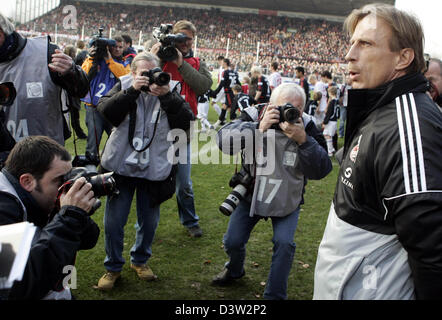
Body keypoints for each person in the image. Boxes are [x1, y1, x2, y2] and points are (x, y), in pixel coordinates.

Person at [314, 3, 442, 300]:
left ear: (403, 57)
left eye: (366, 43)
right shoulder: (380, 108)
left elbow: (432, 249)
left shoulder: (409, 125)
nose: (349, 54)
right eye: (352, 43)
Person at [213, 83, 332, 300]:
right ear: (270, 104)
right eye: (283, 107)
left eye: (295, 108)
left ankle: (274, 295)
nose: (288, 112)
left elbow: (322, 169)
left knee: (284, 244)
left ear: (303, 109)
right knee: (233, 241)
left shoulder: (307, 125)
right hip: (251, 191)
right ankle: (235, 269)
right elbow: (223, 142)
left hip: (287, 196)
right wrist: (257, 127)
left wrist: (303, 140)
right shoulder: (254, 114)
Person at [95, 53, 194, 290]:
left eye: (154, 73)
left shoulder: (169, 90)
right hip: (121, 166)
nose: (151, 79)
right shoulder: (124, 85)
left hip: (155, 168)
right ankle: (113, 267)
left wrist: (168, 96)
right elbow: (106, 111)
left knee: (149, 222)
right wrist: (131, 92)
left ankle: (140, 260)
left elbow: (186, 124)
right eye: (144, 74)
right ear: (133, 74)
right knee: (114, 222)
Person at [0, 136, 99, 299]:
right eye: (59, 180)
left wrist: (73, 215)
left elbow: (88, 240)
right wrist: (69, 217)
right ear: (27, 181)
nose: (66, 187)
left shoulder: (33, 197)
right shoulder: (4, 209)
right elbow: (16, 288)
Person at [151, 20, 212, 237]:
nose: (185, 43)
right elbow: (142, 74)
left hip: (183, 127)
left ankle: (190, 220)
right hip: (158, 125)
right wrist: (155, 55)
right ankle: (147, 224)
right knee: (152, 179)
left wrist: (180, 63)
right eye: (181, 38)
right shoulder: (159, 57)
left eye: (189, 39)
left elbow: (204, 85)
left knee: (184, 181)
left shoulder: (196, 62)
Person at [0, 13, 89, 146]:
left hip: (47, 154)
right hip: (5, 156)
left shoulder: (46, 52)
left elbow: (81, 91)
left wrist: (71, 72)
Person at [81, 35, 130, 161]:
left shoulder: (125, 62)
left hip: (114, 108)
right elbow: (83, 73)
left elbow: (124, 76)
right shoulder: (94, 60)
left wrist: (109, 60)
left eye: (121, 47)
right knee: (93, 141)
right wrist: (91, 57)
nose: (118, 49)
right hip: (94, 107)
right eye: (115, 47)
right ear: (109, 47)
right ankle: (91, 165)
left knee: (116, 140)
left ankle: (111, 166)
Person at [63, 45, 87, 139]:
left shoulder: (68, 61)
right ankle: (79, 133)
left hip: (69, 92)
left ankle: (77, 132)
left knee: (72, 114)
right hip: (72, 92)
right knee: (74, 115)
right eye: (74, 52)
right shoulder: (71, 62)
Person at [212, 58, 241, 126]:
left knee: (230, 109)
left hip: (228, 92)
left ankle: (237, 124)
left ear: (225, 63)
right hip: (233, 92)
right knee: (224, 107)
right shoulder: (234, 72)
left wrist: (215, 92)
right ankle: (218, 122)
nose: (221, 63)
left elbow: (222, 84)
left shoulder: (225, 72)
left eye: (222, 62)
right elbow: (238, 83)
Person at [322, 86, 340, 156]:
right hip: (334, 120)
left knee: (327, 135)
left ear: (330, 93)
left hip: (331, 121)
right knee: (329, 135)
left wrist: (325, 122)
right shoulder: (337, 101)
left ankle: (329, 151)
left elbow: (329, 113)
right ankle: (332, 149)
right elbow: (338, 113)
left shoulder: (332, 102)